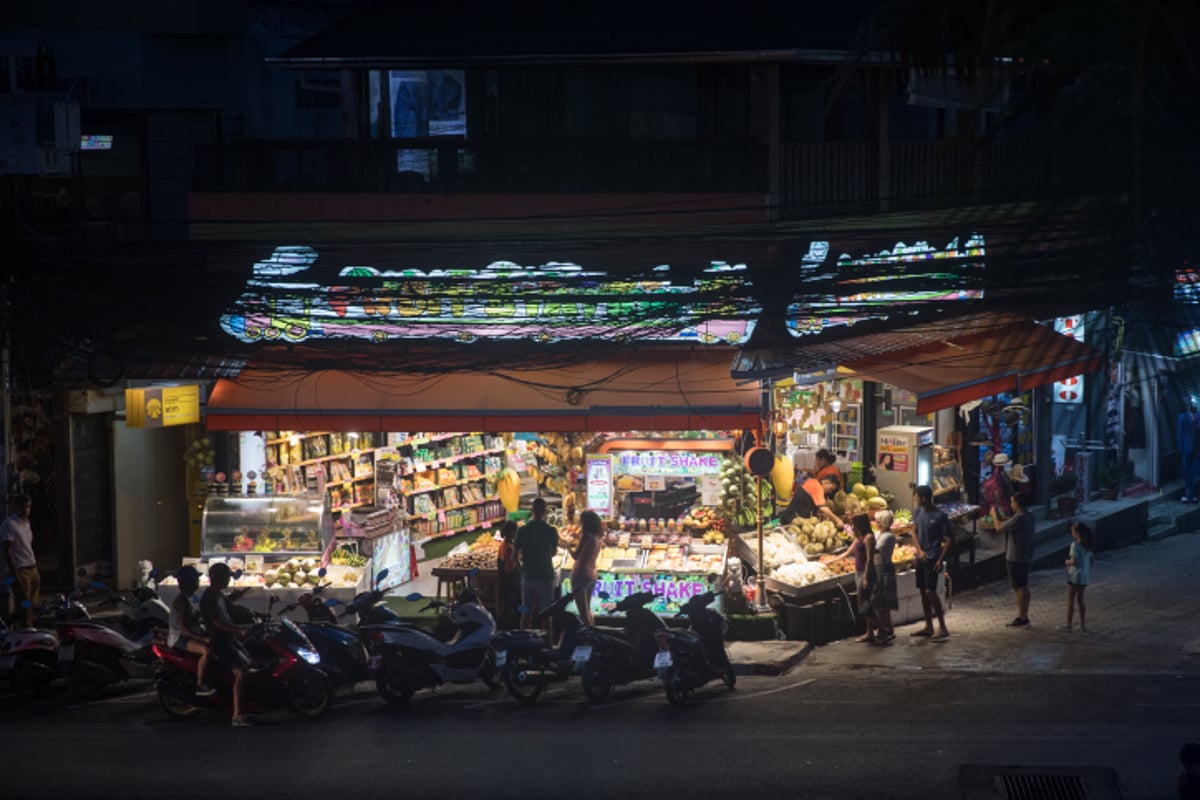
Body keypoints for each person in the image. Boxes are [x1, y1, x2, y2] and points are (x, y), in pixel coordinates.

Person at [200, 562, 254, 726]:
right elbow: (217, 623)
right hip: (220, 641)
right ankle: (237, 715)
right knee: (240, 673)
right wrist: (238, 629)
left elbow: (233, 608)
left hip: (229, 638)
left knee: (250, 664)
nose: (228, 580)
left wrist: (253, 614)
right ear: (216, 578)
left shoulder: (218, 595)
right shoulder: (209, 597)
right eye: (226, 577)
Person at [909, 485, 950, 640]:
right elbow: (914, 530)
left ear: (923, 498)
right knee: (922, 591)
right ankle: (928, 626)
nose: (915, 499)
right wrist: (919, 550)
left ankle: (943, 626)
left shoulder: (940, 516)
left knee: (930, 591)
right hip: (921, 558)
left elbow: (948, 540)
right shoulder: (918, 512)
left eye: (916, 496)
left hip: (933, 558)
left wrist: (940, 559)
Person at [169, 566, 216, 696]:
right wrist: (202, 639)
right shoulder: (182, 601)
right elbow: (184, 629)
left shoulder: (188, 598)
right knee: (207, 651)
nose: (198, 583)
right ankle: (200, 685)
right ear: (188, 582)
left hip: (189, 634)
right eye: (196, 580)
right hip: (180, 638)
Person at [515, 498, 560, 630]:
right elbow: (553, 553)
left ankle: (523, 640)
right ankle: (548, 644)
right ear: (545, 511)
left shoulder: (522, 531)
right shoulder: (551, 531)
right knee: (546, 614)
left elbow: (514, 557)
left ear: (532, 511)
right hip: (546, 576)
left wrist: (522, 571)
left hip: (528, 577)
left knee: (525, 612)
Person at [996, 493, 1035, 627]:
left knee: (1018, 587)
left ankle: (1021, 617)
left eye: (1012, 502)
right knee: (1023, 586)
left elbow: (999, 527)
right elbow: (1008, 522)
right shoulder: (1029, 516)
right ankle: (1024, 615)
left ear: (1017, 503)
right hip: (1025, 555)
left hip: (1015, 557)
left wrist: (994, 516)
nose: (1011, 504)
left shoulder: (1019, 517)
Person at [1, 493, 39, 628]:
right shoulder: (9, 525)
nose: (25, 510)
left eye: (28, 507)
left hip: (32, 567)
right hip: (21, 571)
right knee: (25, 606)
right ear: (15, 507)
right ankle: (26, 631)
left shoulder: (27, 523)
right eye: (22, 507)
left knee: (32, 605)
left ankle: (8, 622)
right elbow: (7, 550)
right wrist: (13, 572)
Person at [848, 514, 879, 643]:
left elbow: (869, 559)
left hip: (866, 573)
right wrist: (830, 561)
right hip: (858, 573)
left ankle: (881, 627)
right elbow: (847, 553)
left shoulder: (868, 538)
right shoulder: (858, 539)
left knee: (866, 604)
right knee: (863, 604)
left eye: (854, 524)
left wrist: (866, 577)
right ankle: (871, 631)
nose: (852, 527)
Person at [569, 511, 603, 626]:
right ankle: (593, 634)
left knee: (583, 613)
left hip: (581, 574)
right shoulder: (598, 538)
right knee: (588, 610)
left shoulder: (586, 536)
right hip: (592, 574)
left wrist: (567, 546)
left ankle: (590, 637)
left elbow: (576, 556)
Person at [870, 509, 898, 643]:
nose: (875, 523)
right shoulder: (877, 534)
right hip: (877, 569)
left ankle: (883, 631)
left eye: (877, 521)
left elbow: (875, 549)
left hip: (884, 569)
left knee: (884, 603)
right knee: (880, 601)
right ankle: (889, 628)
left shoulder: (888, 536)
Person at [1061, 520, 1094, 633]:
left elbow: (1074, 561)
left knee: (1070, 599)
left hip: (1075, 575)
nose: (1072, 534)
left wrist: (1067, 562)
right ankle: (1082, 625)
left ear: (1076, 533)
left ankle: (1068, 625)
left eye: (1073, 532)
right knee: (1081, 600)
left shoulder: (1074, 545)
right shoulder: (1088, 546)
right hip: (1084, 576)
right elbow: (1092, 561)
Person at [495, 520, 522, 629]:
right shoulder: (509, 548)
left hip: (505, 580)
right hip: (510, 581)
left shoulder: (504, 544)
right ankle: (516, 625)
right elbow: (511, 566)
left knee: (506, 606)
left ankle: (502, 624)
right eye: (515, 531)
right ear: (511, 532)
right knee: (515, 604)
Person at [1179, 403, 1200, 503]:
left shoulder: (1199, 416)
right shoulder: (1183, 417)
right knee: (1186, 471)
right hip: (1187, 449)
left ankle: (1191, 495)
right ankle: (1190, 494)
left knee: (1195, 472)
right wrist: (1181, 448)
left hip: (1197, 449)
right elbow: (1179, 433)